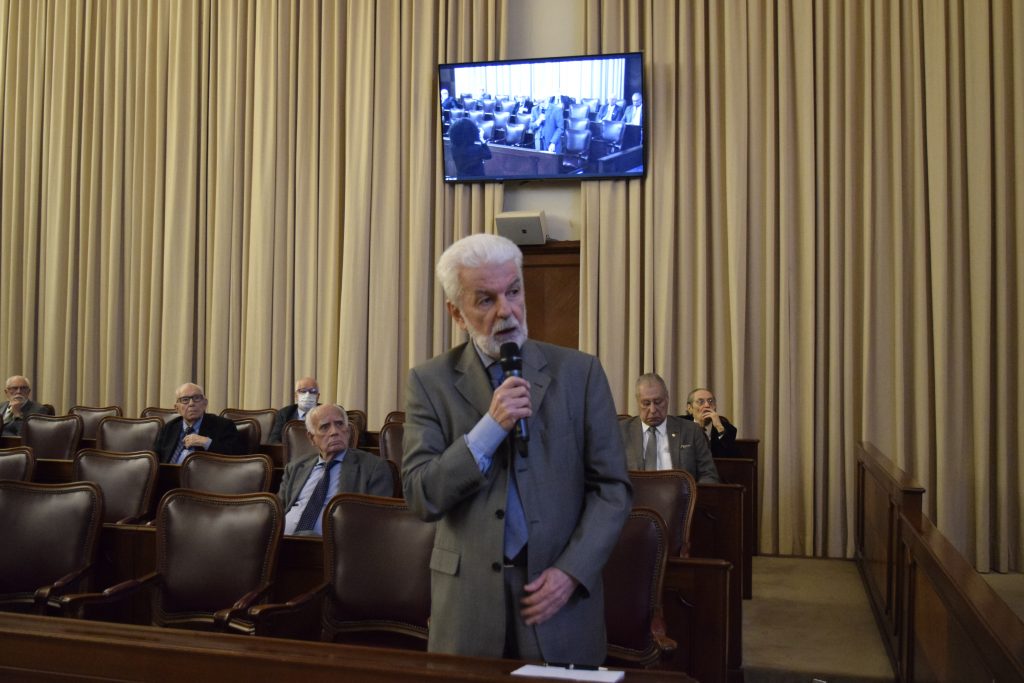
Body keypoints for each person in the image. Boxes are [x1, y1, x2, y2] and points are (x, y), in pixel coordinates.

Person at [402, 233, 631, 665]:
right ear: (456, 313)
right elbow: (421, 494)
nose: (507, 311)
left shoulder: (580, 374)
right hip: (467, 606)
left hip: (560, 600)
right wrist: (490, 428)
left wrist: (571, 571)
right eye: (486, 300)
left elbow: (613, 489)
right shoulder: (429, 383)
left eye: (513, 291)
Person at [278, 403, 393, 536]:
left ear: (348, 431)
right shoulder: (295, 468)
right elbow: (277, 510)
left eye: (339, 424)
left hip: (334, 546)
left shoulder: (373, 467)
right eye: (325, 427)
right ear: (311, 438)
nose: (334, 432)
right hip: (282, 541)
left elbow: (378, 520)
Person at [619, 373, 720, 483]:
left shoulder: (691, 431)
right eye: (646, 403)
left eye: (658, 402)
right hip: (634, 499)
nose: (653, 410)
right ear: (637, 402)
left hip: (681, 498)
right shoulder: (620, 432)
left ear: (667, 399)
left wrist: (693, 498)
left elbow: (709, 475)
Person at [153, 383, 245, 463]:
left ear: (205, 403)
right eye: (185, 400)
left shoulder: (223, 425)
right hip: (167, 479)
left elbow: (236, 456)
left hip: (204, 480)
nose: (191, 403)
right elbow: (155, 458)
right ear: (177, 408)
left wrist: (207, 443)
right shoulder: (169, 428)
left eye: (196, 398)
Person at [683, 387, 740, 458]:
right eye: (700, 402)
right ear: (690, 408)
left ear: (715, 407)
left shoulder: (727, 429)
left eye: (710, 401)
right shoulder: (679, 424)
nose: (707, 405)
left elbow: (730, 457)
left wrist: (719, 427)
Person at [268, 376, 320, 443]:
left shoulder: (327, 413)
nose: (308, 395)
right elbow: (273, 441)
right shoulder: (284, 414)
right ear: (296, 395)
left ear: (318, 396)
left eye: (313, 391)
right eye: (303, 391)